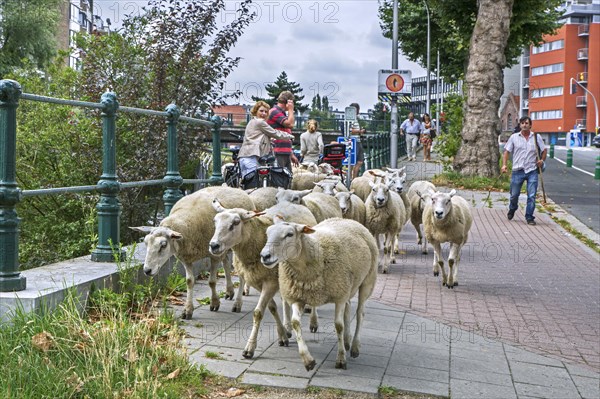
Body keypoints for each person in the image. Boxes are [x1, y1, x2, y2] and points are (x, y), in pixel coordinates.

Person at [501, 116, 547, 226]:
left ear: (530, 125)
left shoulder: (536, 137)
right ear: (520, 125)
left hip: (532, 170)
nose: (524, 125)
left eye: (526, 123)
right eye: (522, 123)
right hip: (518, 170)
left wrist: (541, 160)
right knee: (514, 195)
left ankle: (529, 216)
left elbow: (544, 150)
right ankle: (512, 208)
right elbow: (507, 152)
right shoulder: (514, 137)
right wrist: (504, 165)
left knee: (531, 195)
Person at [237, 101, 294, 186]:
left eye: (266, 112)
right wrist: (289, 136)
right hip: (252, 157)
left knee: (248, 185)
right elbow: (275, 133)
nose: (263, 113)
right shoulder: (260, 122)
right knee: (254, 186)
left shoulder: (252, 122)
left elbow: (256, 136)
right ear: (256, 111)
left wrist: (268, 140)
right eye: (261, 111)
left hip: (245, 156)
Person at [267, 91, 299, 171]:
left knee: (287, 179)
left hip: (284, 152)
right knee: (279, 179)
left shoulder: (282, 114)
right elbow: (290, 124)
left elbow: (287, 132)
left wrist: (291, 153)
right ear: (288, 102)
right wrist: (291, 110)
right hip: (277, 151)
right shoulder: (274, 112)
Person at [349, 102, 366, 179]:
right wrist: (360, 131)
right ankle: (351, 178)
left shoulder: (356, 119)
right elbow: (349, 130)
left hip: (358, 140)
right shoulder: (350, 119)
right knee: (352, 161)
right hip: (354, 141)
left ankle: (354, 178)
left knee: (360, 161)